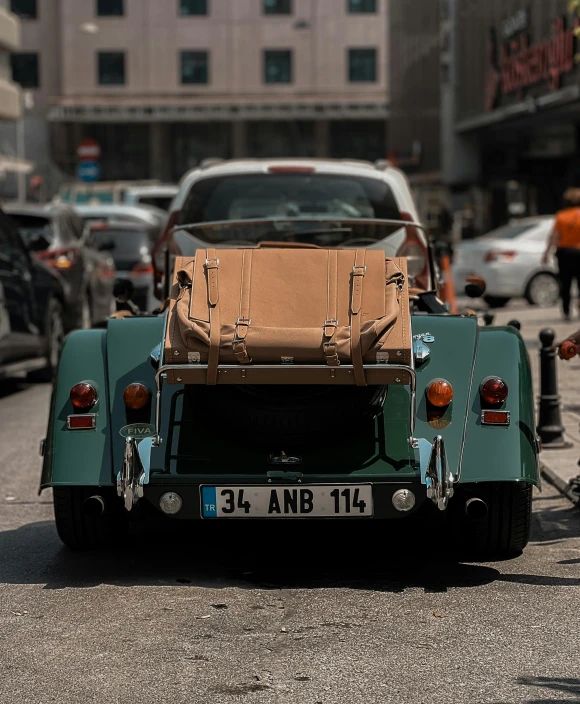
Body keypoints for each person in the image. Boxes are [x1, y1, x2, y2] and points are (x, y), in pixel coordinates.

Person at [542, 188, 580, 320]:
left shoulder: (561, 216)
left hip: (565, 253)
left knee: (566, 284)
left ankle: (566, 311)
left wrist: (546, 253)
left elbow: (554, 236)